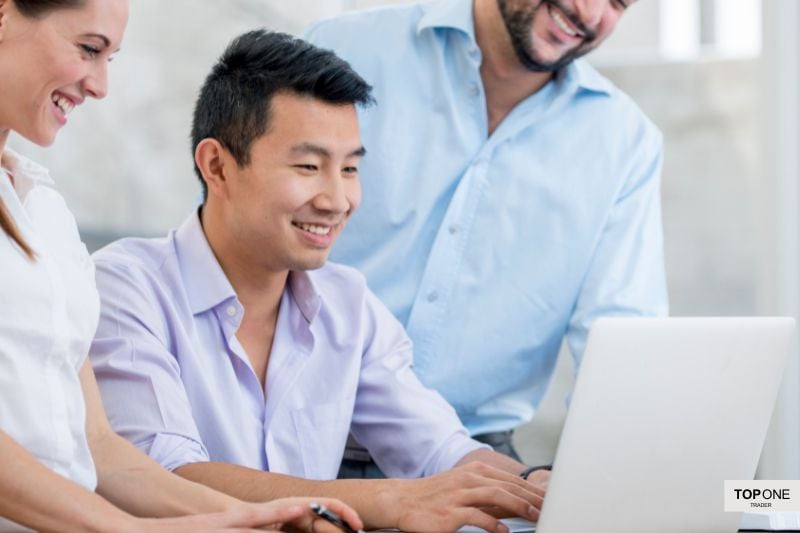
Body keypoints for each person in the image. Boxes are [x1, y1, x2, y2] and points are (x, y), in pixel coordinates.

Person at [89, 29, 547, 533]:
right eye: (308, 166)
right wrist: (391, 500)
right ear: (217, 166)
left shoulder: (346, 301)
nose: (336, 199)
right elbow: (164, 476)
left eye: (350, 169)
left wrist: (540, 487)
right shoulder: (124, 287)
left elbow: (438, 448)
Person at [0, 1, 362, 531]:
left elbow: (99, 446)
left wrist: (259, 518)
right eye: (89, 49)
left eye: (111, 60)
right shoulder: (127, 276)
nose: (100, 85)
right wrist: (126, 529)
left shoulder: (44, 210)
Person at [303, 0, 669, 474]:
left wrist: (605, 486)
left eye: (619, 2)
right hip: (296, 445)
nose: (590, 12)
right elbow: (230, 246)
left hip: (476, 461)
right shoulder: (340, 51)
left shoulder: (625, 141)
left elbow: (622, 339)